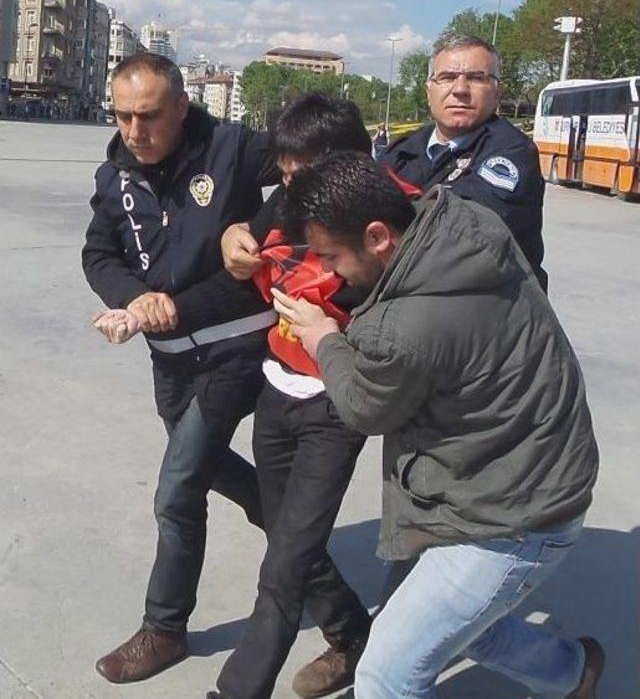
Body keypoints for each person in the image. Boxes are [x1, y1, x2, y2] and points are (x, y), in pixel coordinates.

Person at [271, 152, 603, 699]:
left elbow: (364, 407)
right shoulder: (460, 221)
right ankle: (573, 672)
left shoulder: (403, 328)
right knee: (460, 629)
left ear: (378, 236)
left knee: (387, 673)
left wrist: (322, 338)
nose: (328, 274)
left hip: (512, 518)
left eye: (331, 258)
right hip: (520, 472)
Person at [81, 53, 280, 684]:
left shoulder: (233, 148)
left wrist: (257, 227)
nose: (134, 130)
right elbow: (98, 252)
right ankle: (339, 608)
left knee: (177, 490)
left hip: (234, 349)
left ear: (181, 108)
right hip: (169, 360)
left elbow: (319, 165)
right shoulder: (114, 173)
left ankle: (164, 628)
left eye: (148, 116)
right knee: (226, 480)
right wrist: (132, 298)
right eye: (121, 115)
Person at [208, 95, 374, 699]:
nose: (289, 189)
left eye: (303, 175)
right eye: (284, 174)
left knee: (281, 572)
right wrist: (234, 240)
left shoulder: (384, 219)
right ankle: (352, 632)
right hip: (276, 392)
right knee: (285, 534)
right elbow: (240, 246)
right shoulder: (284, 199)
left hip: (335, 407)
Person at [379, 34, 548, 291]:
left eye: (476, 78)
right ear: (428, 91)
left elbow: (461, 233)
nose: (459, 89)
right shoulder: (401, 151)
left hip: (489, 312)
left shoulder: (512, 152)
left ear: (497, 92)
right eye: (446, 77)